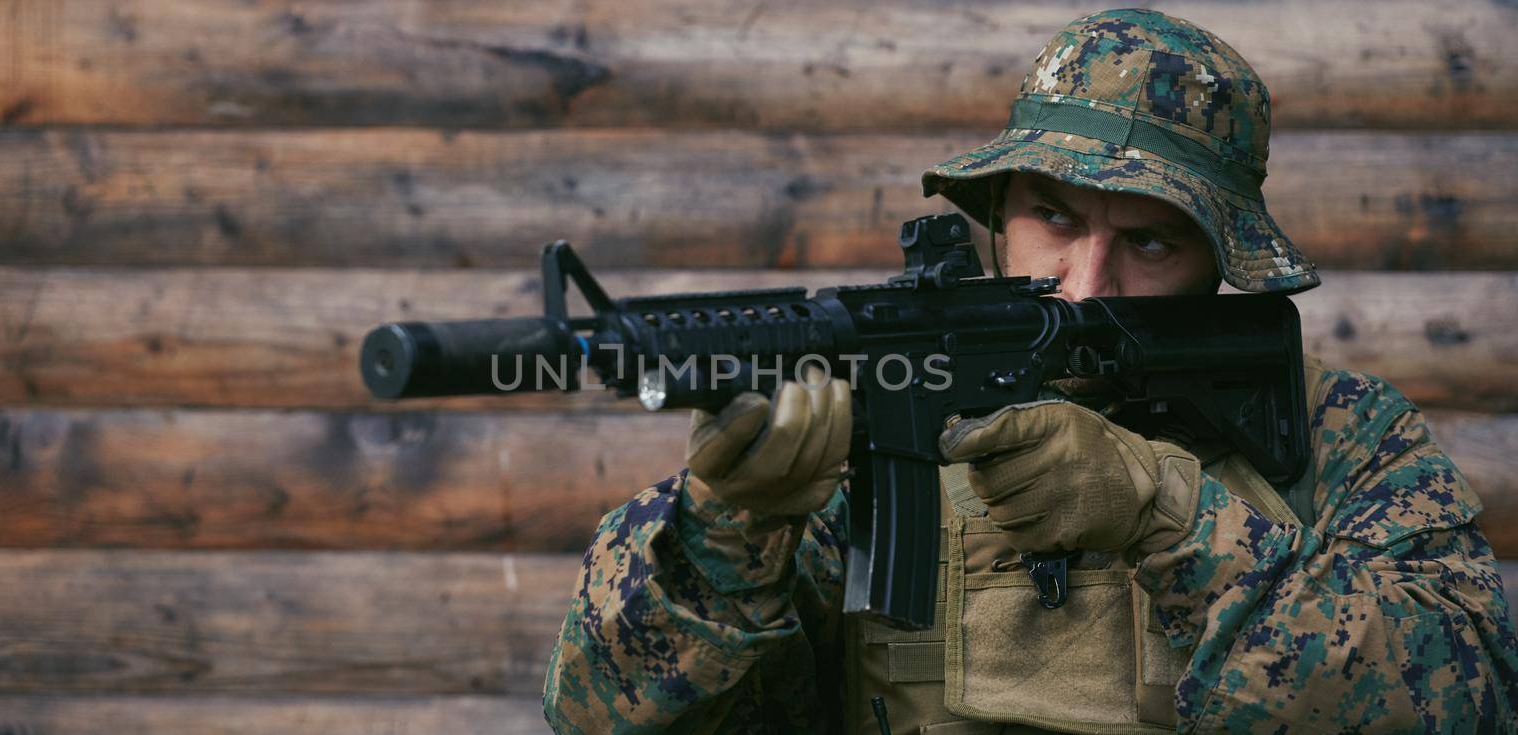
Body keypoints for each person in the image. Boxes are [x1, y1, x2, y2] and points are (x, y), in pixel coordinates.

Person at [541, 9, 1518, 733]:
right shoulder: (875, 426)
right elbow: (597, 713)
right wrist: (724, 535)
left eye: (1147, 242)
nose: (1086, 280)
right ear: (997, 212)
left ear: (1220, 265)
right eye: (1053, 219)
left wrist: (1169, 516)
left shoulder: (1342, 439)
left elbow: (1465, 701)